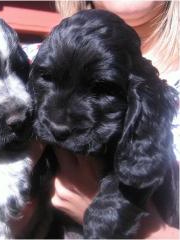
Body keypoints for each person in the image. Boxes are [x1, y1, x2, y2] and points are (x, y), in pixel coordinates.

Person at [49, 1, 180, 238]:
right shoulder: (18, 60)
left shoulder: (148, 98)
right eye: (49, 79)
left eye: (102, 89)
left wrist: (148, 232)